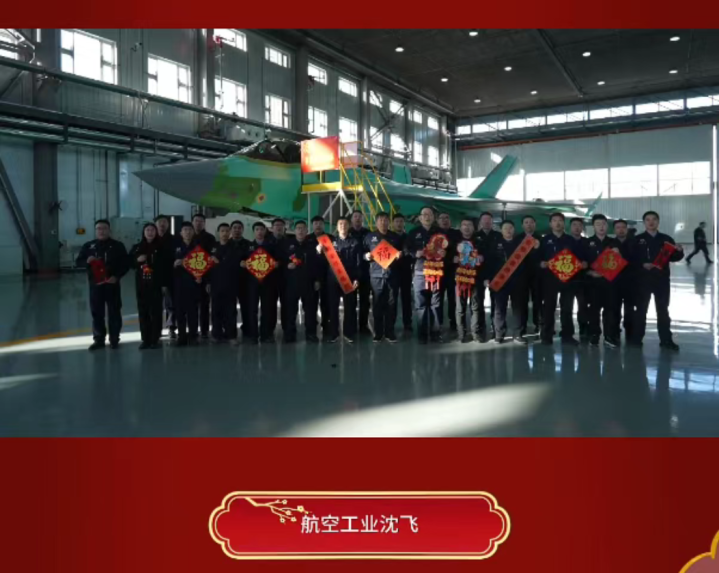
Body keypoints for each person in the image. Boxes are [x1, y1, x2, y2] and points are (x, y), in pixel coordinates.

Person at [631, 211, 684, 351]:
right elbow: (631, 259)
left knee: (663, 310)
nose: (651, 222)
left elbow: (674, 257)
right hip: (643, 280)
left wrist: (679, 251)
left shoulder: (666, 239)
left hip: (661, 280)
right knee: (641, 310)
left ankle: (666, 339)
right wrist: (642, 264)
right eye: (648, 220)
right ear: (644, 223)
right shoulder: (637, 240)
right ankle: (637, 339)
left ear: (658, 222)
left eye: (654, 219)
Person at [76, 219, 129, 350]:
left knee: (114, 312)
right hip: (96, 286)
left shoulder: (118, 246)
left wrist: (116, 277)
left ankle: (114, 339)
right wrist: (87, 261)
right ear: (95, 231)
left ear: (109, 230)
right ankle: (99, 339)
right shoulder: (89, 246)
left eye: (104, 228)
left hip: (112, 285)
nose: (102, 231)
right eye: (99, 228)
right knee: (97, 313)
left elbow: (125, 264)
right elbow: (78, 262)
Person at [539, 212, 588, 346]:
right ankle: (546, 335)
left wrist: (583, 263)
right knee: (549, 308)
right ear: (550, 224)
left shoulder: (571, 240)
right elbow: (538, 258)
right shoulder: (545, 240)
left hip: (568, 279)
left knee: (567, 308)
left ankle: (567, 335)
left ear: (564, 223)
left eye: (560, 220)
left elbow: (580, 257)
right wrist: (541, 263)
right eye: (554, 221)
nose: (557, 223)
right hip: (550, 279)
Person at [485, 220, 534, 344]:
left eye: (511, 228)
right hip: (500, 281)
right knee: (499, 308)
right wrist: (488, 278)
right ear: (501, 230)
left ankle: (518, 334)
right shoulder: (494, 244)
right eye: (505, 228)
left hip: (518, 281)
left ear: (514, 229)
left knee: (518, 309)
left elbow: (528, 262)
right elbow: (489, 263)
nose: (508, 230)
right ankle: (499, 334)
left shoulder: (521, 244)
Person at [317, 217, 361, 343]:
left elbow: (358, 262)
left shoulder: (355, 242)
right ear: (337, 227)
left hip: (349, 279)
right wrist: (319, 251)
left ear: (349, 226)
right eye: (340, 224)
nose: (343, 226)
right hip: (333, 280)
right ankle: (334, 333)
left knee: (349, 307)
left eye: (345, 224)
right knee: (333, 306)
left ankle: (348, 333)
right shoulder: (330, 242)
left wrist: (357, 278)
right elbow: (322, 261)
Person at [363, 212, 404, 343]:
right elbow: (363, 252)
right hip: (376, 276)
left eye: (386, 220)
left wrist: (400, 255)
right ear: (376, 222)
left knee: (392, 304)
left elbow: (403, 252)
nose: (383, 222)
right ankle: (378, 332)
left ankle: (390, 332)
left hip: (392, 275)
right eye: (380, 220)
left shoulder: (395, 237)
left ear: (389, 222)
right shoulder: (369, 237)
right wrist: (366, 256)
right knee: (377, 304)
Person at [408, 207, 445, 343]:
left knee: (436, 304)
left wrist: (445, 253)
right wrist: (415, 253)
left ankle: (436, 333)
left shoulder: (440, 233)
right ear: (420, 217)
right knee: (421, 304)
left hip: (436, 272)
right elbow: (406, 249)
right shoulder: (413, 233)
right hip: (420, 272)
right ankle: (422, 334)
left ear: (433, 217)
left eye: (430, 214)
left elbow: (449, 248)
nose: (427, 217)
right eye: (424, 214)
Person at [129, 223, 169, 350]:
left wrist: (164, 284)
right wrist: (137, 260)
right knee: (143, 311)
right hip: (141, 284)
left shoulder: (162, 247)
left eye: (152, 230)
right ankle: (145, 339)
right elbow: (129, 263)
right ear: (144, 232)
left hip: (156, 284)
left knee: (156, 312)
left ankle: (155, 338)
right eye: (147, 230)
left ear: (156, 232)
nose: (150, 232)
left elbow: (166, 267)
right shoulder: (137, 247)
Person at [584, 214, 621, 349]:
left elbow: (621, 263)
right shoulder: (587, 243)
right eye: (598, 224)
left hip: (611, 283)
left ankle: (609, 336)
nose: (601, 227)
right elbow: (582, 263)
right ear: (593, 226)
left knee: (610, 310)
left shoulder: (614, 242)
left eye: (604, 224)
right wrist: (590, 272)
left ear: (607, 226)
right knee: (594, 310)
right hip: (593, 283)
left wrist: (618, 255)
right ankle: (594, 335)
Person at [242, 222, 281, 344]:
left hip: (268, 283)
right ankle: (253, 335)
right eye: (257, 229)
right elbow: (241, 260)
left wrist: (277, 264)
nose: (259, 232)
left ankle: (266, 334)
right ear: (253, 231)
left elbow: (280, 260)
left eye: (261, 229)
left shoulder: (272, 246)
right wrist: (242, 263)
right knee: (252, 309)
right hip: (252, 283)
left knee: (267, 309)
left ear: (265, 231)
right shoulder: (248, 246)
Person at [282, 221, 320, 343]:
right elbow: (280, 262)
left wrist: (317, 280)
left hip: (308, 282)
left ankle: (311, 333)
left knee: (310, 310)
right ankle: (290, 334)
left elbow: (317, 264)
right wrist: (287, 266)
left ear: (307, 231)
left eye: (303, 228)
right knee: (290, 310)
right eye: (298, 228)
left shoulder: (313, 244)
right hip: (292, 282)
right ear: (294, 231)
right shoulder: (287, 244)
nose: (300, 230)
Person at [208, 223, 242, 343]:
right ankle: (216, 334)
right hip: (215, 283)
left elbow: (235, 265)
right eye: (222, 231)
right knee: (216, 310)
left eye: (227, 231)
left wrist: (219, 262)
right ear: (218, 233)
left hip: (230, 283)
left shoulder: (235, 247)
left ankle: (231, 335)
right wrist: (208, 282)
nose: (225, 233)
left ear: (230, 232)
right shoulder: (213, 247)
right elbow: (208, 267)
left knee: (230, 310)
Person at [453, 217, 485, 343]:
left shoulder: (479, 241)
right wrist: (453, 259)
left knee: (475, 307)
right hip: (460, 279)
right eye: (464, 225)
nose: (466, 227)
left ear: (474, 227)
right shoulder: (455, 241)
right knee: (460, 308)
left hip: (475, 278)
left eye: (469, 225)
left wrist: (482, 258)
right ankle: (461, 333)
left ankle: (475, 333)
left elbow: (486, 256)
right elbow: (447, 257)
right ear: (460, 227)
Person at [172, 222, 204, 346]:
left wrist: (201, 276)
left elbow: (204, 264)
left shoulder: (198, 247)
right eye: (185, 230)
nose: (187, 232)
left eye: (190, 229)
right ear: (181, 233)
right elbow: (167, 263)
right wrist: (174, 264)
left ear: (193, 232)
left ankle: (193, 336)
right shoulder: (175, 247)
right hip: (178, 283)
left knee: (193, 311)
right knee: (180, 312)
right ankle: (181, 336)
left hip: (193, 283)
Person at [474, 212, 502, 336]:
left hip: (495, 273)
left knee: (496, 302)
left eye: (489, 220)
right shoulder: (475, 236)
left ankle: (495, 327)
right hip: (478, 274)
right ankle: (480, 327)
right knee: (478, 302)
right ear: (480, 222)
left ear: (492, 221)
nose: (486, 222)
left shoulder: (498, 236)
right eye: (484, 220)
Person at [191, 213, 216, 339]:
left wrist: (208, 280)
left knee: (204, 304)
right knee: (191, 305)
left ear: (204, 223)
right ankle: (192, 330)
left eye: (201, 221)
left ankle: (205, 330)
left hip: (205, 276)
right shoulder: (187, 236)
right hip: (189, 276)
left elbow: (211, 259)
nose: (198, 223)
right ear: (192, 222)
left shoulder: (210, 238)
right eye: (196, 221)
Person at [309, 216, 333, 339]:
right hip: (312, 277)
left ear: (324, 225)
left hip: (327, 276)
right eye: (315, 223)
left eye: (320, 223)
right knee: (311, 304)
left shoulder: (330, 238)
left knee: (326, 303)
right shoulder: (307, 239)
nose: (318, 225)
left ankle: (326, 326)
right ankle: (312, 329)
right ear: (312, 225)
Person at [154, 214, 178, 339]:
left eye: (165, 222)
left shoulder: (174, 240)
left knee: (171, 304)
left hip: (170, 276)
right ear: (156, 224)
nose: (162, 224)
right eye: (160, 222)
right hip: (154, 278)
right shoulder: (151, 239)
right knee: (155, 305)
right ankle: (156, 330)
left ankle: (171, 328)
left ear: (168, 225)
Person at [437, 212, 460, 333]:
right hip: (437, 271)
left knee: (453, 298)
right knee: (438, 298)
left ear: (450, 221)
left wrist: (451, 256)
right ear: (438, 221)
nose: (444, 220)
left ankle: (453, 322)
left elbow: (460, 250)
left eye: (446, 218)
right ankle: (438, 322)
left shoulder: (456, 233)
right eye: (441, 218)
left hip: (453, 271)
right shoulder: (434, 233)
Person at [613, 219, 635, 343]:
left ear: (626, 229)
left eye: (623, 227)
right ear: (614, 230)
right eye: (618, 227)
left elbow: (637, 260)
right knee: (614, 307)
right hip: (614, 281)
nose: (621, 230)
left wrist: (621, 258)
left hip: (630, 281)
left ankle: (630, 331)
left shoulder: (634, 243)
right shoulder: (610, 244)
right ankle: (615, 331)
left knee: (630, 308)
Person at [350, 209, 371, 336]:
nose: (357, 218)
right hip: (351, 272)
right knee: (351, 300)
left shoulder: (368, 233)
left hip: (366, 271)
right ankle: (351, 325)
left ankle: (363, 326)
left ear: (363, 219)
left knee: (365, 300)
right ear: (351, 219)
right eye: (355, 216)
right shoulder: (347, 233)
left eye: (359, 216)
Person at [520, 215, 543, 335]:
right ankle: (522, 327)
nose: (529, 224)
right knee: (522, 302)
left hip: (537, 275)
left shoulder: (541, 239)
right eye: (526, 222)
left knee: (537, 301)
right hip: (521, 276)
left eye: (531, 222)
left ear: (535, 224)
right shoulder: (517, 238)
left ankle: (538, 324)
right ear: (522, 225)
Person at [569, 217, 590, 342]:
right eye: (574, 225)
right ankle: (567, 331)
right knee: (567, 307)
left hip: (583, 279)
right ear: (570, 227)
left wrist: (587, 263)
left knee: (583, 305)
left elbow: (592, 258)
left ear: (582, 227)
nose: (577, 227)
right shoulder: (565, 241)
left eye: (579, 225)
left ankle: (584, 328)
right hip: (568, 280)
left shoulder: (587, 242)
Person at [392, 213, 414, 332]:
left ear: (404, 223)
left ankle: (408, 322)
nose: (399, 224)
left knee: (407, 298)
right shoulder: (389, 237)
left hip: (406, 271)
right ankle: (392, 322)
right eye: (397, 221)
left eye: (401, 221)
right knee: (392, 298)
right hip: (393, 272)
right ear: (393, 223)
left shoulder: (409, 237)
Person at [230, 220, 250, 338]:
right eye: (235, 227)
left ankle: (247, 328)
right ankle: (231, 330)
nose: (237, 230)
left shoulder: (249, 244)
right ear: (231, 230)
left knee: (246, 306)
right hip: (230, 281)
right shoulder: (226, 244)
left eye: (239, 228)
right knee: (230, 307)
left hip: (245, 281)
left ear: (242, 230)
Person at [270, 218, 289, 336]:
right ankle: (269, 330)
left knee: (286, 305)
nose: (278, 227)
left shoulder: (289, 242)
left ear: (284, 228)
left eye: (281, 225)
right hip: (270, 280)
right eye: (276, 225)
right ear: (272, 228)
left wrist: (281, 263)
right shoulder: (266, 242)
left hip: (285, 278)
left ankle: (287, 330)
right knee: (270, 305)